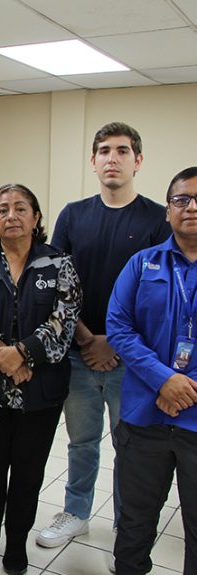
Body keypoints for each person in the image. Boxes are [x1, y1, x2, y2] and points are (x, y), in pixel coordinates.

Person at [37, 123, 170, 562]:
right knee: (81, 441)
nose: (113, 158)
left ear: (138, 160)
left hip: (133, 360)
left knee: (129, 445)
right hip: (78, 354)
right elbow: (56, 282)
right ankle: (76, 513)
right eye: (104, 151)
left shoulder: (157, 220)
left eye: (123, 151)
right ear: (92, 161)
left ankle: (124, 530)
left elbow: (158, 297)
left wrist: (114, 343)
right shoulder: (73, 215)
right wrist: (86, 338)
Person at [0, 184, 82, 573]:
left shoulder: (59, 264)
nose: (11, 215)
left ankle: (16, 544)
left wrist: (22, 353)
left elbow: (65, 321)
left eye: (20, 208)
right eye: (3, 209)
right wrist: (3, 353)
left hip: (39, 393)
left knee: (28, 475)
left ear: (36, 217)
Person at [106, 166, 197, 575]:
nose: (190, 207)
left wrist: (184, 386)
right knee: (134, 525)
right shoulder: (142, 264)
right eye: (181, 199)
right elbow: (119, 328)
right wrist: (164, 380)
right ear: (167, 210)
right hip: (144, 417)